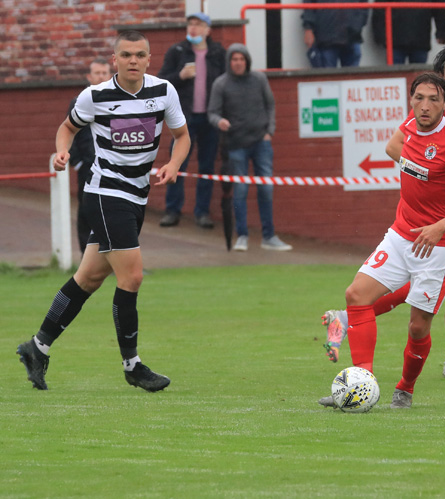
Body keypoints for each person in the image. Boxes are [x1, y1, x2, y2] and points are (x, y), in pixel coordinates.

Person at [16, 30, 189, 392]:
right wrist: (62, 152)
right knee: (132, 278)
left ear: (148, 58)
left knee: (89, 278)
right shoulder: (94, 96)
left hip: (137, 195)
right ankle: (132, 365)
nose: (133, 61)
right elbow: (67, 128)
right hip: (105, 193)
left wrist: (173, 165)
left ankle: (37, 346)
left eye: (139, 55)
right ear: (115, 59)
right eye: (125, 54)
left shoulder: (163, 91)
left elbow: (183, 136)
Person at [320, 46, 445, 380]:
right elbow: (395, 146)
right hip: (443, 215)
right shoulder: (433, 112)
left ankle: (348, 319)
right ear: (441, 84)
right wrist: (421, 170)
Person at [207, 44, 292, 252]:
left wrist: (269, 131)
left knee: (266, 188)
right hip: (236, 144)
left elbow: (270, 104)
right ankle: (242, 235)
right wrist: (220, 122)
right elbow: (212, 113)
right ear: (229, 62)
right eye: (234, 59)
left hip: (261, 142)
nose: (238, 63)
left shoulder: (259, 79)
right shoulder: (221, 84)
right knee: (241, 190)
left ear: (247, 61)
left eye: (241, 59)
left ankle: (269, 236)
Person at [157, 12, 227, 229]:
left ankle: (202, 212)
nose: (193, 29)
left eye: (198, 25)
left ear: (208, 30)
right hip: (183, 117)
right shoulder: (178, 51)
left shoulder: (218, 53)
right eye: (190, 25)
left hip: (210, 117)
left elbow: (226, 83)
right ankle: (172, 210)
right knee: (177, 163)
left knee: (207, 165)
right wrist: (181, 76)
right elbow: (162, 82)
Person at [68, 57, 111, 254]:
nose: (101, 77)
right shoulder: (79, 102)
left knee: (112, 210)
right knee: (86, 210)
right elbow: (70, 133)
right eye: (97, 73)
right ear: (89, 76)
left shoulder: (117, 101)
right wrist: (76, 162)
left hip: (112, 166)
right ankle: (86, 255)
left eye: (105, 73)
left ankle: (112, 254)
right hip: (87, 167)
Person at [372, 0, 445, 65]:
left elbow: (439, 9)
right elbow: (379, 10)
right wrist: (380, 36)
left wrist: (441, 32)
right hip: (395, 40)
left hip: (419, 39)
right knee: (396, 75)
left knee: (418, 76)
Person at [301, 0, 369, 68]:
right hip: (326, 37)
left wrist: (358, 24)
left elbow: (364, 4)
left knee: (352, 76)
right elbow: (308, 5)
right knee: (327, 76)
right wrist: (308, 29)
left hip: (351, 36)